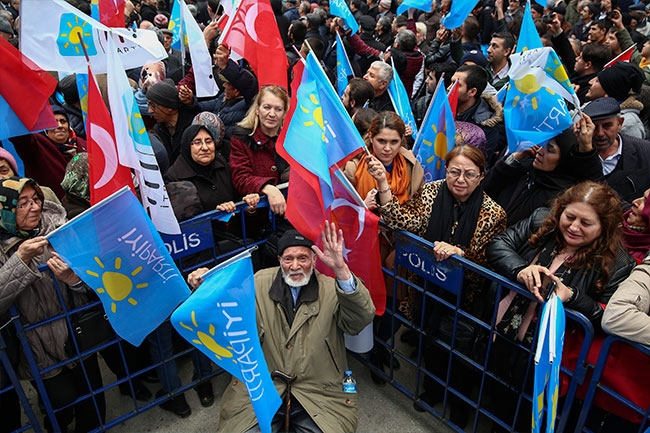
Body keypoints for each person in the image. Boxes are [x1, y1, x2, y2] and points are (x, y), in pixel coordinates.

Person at [187, 223, 376, 432]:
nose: (295, 266)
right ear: (279, 261)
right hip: (260, 388)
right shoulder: (257, 283)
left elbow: (360, 319)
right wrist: (206, 286)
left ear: (314, 260)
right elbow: (224, 313)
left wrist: (341, 270)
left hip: (320, 392)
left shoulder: (333, 289)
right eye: (288, 259)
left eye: (302, 258)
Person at [367, 145, 507, 427]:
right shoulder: (431, 191)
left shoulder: (494, 213)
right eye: (455, 171)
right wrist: (383, 183)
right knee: (428, 341)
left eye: (470, 174)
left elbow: (491, 260)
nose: (461, 179)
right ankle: (432, 391)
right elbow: (405, 221)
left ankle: (459, 406)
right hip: (426, 287)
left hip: (466, 297)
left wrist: (461, 253)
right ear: (446, 171)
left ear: (481, 176)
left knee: (459, 354)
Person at [486, 181, 636, 432]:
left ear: (604, 227)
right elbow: (499, 243)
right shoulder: (542, 220)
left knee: (528, 414)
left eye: (586, 223)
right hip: (503, 332)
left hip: (551, 357)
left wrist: (573, 296)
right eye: (570, 216)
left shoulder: (618, 262)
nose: (574, 227)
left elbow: (608, 317)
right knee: (496, 399)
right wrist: (521, 269)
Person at [0, 177, 106, 433]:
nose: (34, 207)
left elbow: (99, 278)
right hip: (37, 346)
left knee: (93, 406)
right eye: (22, 203)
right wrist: (21, 259)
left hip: (78, 333)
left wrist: (74, 279)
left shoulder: (61, 230)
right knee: (60, 402)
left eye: (35, 199)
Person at [343, 111, 424, 385]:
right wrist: (361, 209)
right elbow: (340, 213)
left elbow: (416, 210)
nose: (387, 148)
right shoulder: (353, 168)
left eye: (394, 141)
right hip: (365, 246)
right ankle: (367, 348)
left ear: (403, 141)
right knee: (366, 304)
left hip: (398, 248)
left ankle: (379, 346)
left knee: (393, 306)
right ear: (370, 139)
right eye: (381, 141)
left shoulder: (413, 167)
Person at [485, 118, 603, 226]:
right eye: (542, 144)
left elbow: (597, 185)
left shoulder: (561, 197)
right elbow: (486, 190)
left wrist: (586, 148)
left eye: (550, 149)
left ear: (563, 159)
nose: (540, 151)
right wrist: (514, 158)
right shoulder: (524, 168)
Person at [229, 85, 290, 217]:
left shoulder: (291, 139)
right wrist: (268, 188)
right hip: (256, 217)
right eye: (267, 107)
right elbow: (240, 177)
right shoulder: (241, 138)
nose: (272, 114)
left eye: (278, 109)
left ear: (284, 113)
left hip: (290, 214)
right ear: (257, 109)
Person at [581, 97, 650, 203]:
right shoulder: (576, 153)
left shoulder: (644, 151)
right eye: (594, 126)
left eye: (607, 126)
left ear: (620, 123)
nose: (600, 133)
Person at [10, 106, 86, 199]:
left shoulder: (82, 143)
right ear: (45, 128)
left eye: (63, 121)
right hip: (59, 209)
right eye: (53, 122)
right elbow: (20, 138)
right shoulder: (36, 147)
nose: (59, 126)